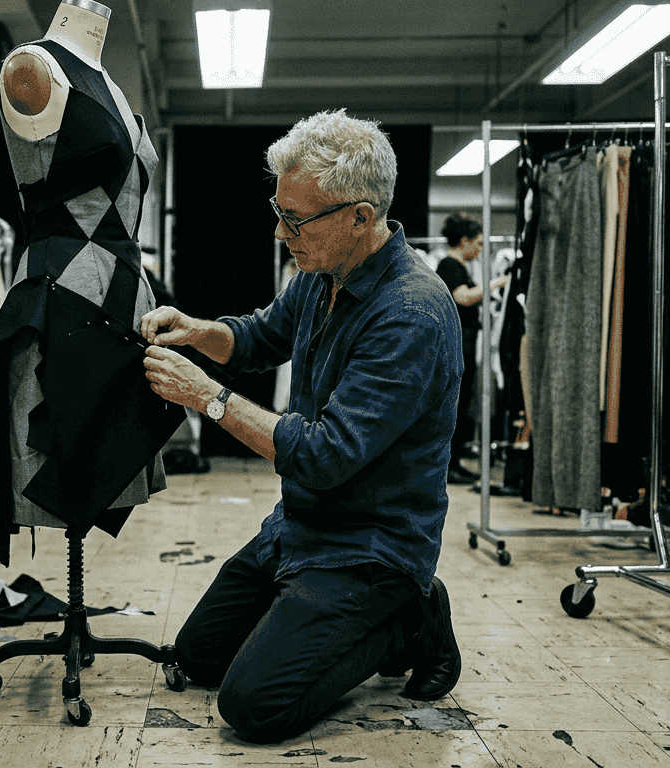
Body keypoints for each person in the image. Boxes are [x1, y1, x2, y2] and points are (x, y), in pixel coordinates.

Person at [139, 109, 463, 744]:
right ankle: (330, 611)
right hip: (302, 525)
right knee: (198, 658)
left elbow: (325, 455)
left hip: (371, 542)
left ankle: (405, 614)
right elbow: (264, 335)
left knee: (254, 707)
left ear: (360, 218)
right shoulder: (321, 272)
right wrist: (203, 331)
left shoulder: (411, 315)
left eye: (296, 219)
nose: (281, 231)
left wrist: (209, 398)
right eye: (278, 210)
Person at [436, 213, 508, 484]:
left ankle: (454, 463)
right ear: (463, 241)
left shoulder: (458, 267)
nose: (479, 250)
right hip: (456, 345)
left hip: (462, 344)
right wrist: (492, 284)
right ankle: (449, 465)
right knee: (456, 403)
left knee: (462, 403)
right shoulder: (449, 266)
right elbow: (462, 297)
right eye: (477, 244)